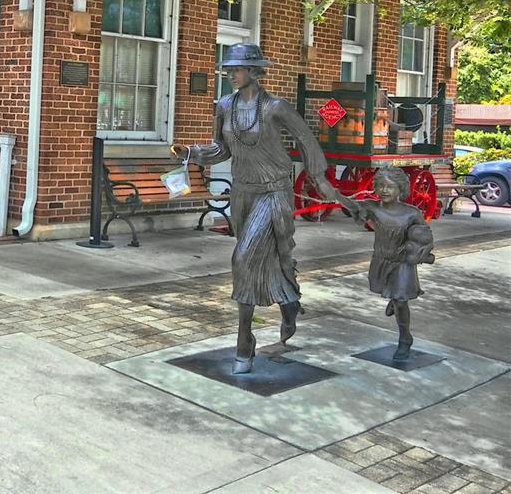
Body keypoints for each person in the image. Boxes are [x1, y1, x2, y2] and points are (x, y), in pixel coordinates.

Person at [172, 44, 338, 374]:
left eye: (236, 69)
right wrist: (192, 152)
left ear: (253, 71)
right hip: (243, 193)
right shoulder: (224, 105)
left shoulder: (276, 107)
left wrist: (319, 178)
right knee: (262, 258)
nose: (231, 75)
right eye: (229, 70)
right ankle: (289, 301)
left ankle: (244, 341)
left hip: (274, 192)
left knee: (243, 258)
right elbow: (221, 149)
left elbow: (307, 140)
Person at [338, 167, 434, 360]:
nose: (384, 190)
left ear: (400, 189)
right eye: (380, 185)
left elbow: (426, 239)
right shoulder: (372, 208)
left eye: (390, 186)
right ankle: (394, 299)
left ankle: (405, 338)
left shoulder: (412, 213)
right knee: (393, 294)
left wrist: (420, 251)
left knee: (401, 300)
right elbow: (350, 204)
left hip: (402, 262)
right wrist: (331, 191)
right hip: (381, 260)